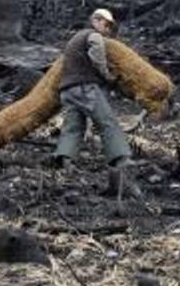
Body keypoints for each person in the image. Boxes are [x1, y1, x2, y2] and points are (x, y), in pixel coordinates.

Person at [51, 9, 133, 170]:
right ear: (96, 20)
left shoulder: (75, 38)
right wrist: (108, 77)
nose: (108, 29)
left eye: (110, 26)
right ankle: (121, 158)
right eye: (106, 24)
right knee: (107, 121)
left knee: (73, 125)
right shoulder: (94, 36)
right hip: (84, 88)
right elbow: (97, 58)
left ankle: (64, 159)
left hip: (67, 91)